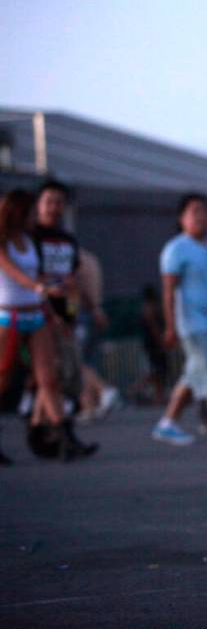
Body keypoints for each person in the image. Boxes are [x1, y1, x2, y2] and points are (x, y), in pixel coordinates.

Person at [0, 190, 96, 462]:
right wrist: (40, 287)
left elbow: (35, 274)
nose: (35, 216)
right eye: (31, 210)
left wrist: (57, 286)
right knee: (4, 379)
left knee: (49, 379)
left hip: (36, 313)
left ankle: (65, 439)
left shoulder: (30, 241)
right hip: (9, 316)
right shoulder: (3, 241)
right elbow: (14, 273)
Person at [151, 194, 207, 446]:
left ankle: (167, 423)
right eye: (194, 211)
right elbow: (168, 290)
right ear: (182, 218)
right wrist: (170, 325)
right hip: (194, 325)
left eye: (204, 211)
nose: (201, 216)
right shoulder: (177, 248)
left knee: (193, 374)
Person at [32, 180, 85, 416]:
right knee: (49, 375)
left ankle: (47, 427)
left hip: (64, 314)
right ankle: (52, 428)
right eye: (48, 201)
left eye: (58, 202)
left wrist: (72, 315)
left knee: (65, 376)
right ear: (38, 204)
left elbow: (74, 282)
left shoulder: (68, 240)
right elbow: (31, 279)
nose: (53, 207)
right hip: (38, 313)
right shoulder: (31, 238)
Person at [75, 248, 120, 420]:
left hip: (80, 313)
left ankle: (104, 390)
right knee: (87, 361)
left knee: (77, 361)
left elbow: (80, 287)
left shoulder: (77, 260)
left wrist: (93, 308)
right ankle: (88, 405)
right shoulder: (92, 259)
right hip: (93, 312)